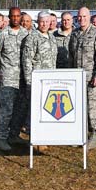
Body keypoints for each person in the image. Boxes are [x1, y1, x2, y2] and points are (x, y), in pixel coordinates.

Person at [0, 7, 29, 152]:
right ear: (9, 17)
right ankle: (1, 138)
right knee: (6, 109)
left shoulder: (26, 34)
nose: (15, 18)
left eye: (18, 16)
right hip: (7, 78)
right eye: (13, 16)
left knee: (20, 108)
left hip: (22, 78)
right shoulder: (2, 34)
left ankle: (14, 135)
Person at [69, 7, 96, 149]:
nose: (81, 19)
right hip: (78, 79)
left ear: (89, 17)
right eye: (79, 16)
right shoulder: (74, 34)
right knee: (79, 108)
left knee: (93, 108)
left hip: (92, 79)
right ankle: (81, 135)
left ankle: (94, 135)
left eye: (84, 16)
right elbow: (71, 56)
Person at [22, 11, 58, 152]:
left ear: (50, 23)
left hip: (49, 81)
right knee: (35, 111)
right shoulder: (32, 37)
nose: (44, 24)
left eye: (47, 22)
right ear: (38, 22)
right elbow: (27, 60)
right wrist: (29, 81)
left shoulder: (51, 37)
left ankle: (44, 137)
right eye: (42, 22)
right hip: (37, 81)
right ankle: (35, 139)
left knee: (46, 110)